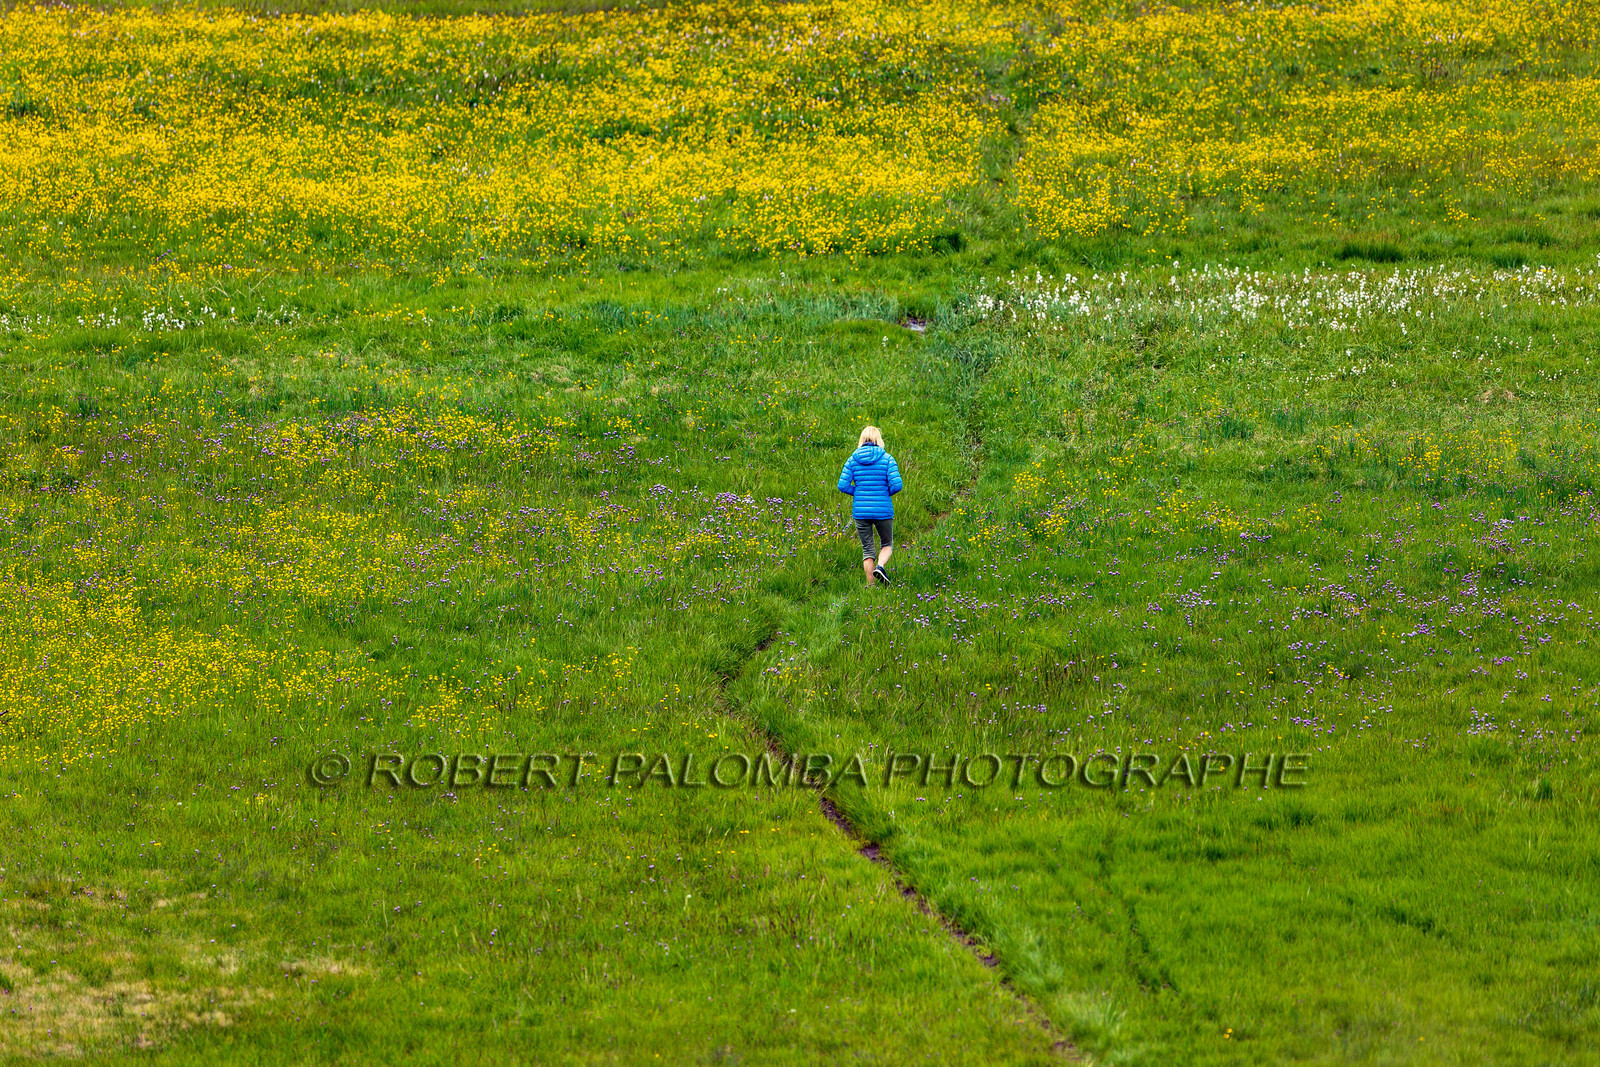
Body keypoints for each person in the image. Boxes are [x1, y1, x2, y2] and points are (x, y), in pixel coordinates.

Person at [837, 425, 903, 587]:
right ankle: (880, 567)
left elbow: (842, 485)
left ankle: (871, 587)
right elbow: (897, 485)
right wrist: (884, 493)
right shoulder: (887, 459)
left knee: (868, 550)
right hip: (883, 510)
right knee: (887, 544)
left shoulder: (852, 460)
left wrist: (859, 493)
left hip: (861, 511)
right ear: (878, 439)